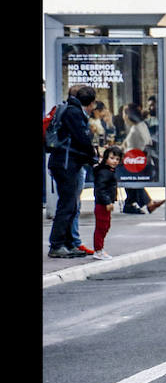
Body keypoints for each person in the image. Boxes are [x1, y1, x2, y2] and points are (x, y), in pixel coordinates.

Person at [48, 85, 98, 258]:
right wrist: (93, 157)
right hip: (66, 164)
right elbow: (81, 139)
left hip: (64, 163)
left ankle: (68, 243)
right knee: (67, 204)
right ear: (90, 102)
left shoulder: (70, 110)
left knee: (71, 204)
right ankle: (57, 244)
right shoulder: (74, 113)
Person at [121, 103, 164, 214]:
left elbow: (142, 144)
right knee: (130, 180)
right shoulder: (138, 126)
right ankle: (133, 203)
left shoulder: (137, 128)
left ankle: (145, 203)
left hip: (135, 160)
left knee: (130, 179)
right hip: (133, 159)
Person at [91, 145, 123, 260]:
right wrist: (108, 202)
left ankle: (100, 249)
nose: (114, 161)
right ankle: (98, 250)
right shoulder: (104, 172)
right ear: (105, 158)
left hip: (104, 203)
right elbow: (101, 189)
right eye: (112, 158)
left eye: (117, 159)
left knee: (105, 226)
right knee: (101, 227)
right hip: (102, 204)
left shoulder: (108, 171)